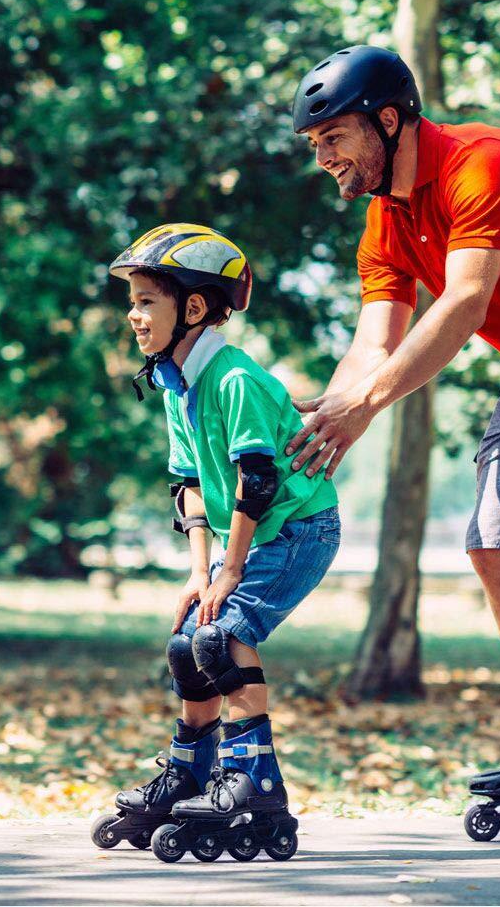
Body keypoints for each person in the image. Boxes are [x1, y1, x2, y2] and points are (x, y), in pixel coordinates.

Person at [288, 44, 500, 843]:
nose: (325, 160)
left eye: (333, 138)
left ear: (387, 119)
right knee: (495, 542)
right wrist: (330, 414)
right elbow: (374, 344)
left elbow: (466, 304)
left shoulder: (484, 162)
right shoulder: (386, 222)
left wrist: (366, 406)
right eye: (315, 147)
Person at [90, 223, 340, 862]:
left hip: (299, 528)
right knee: (185, 645)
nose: (134, 314)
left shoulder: (232, 379)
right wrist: (200, 573)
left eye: (148, 300)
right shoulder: (176, 380)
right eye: (133, 301)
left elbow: (256, 481)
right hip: (251, 538)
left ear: (194, 308)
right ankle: (191, 776)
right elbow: (191, 484)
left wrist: (231, 570)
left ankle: (256, 784)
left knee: (221, 640)